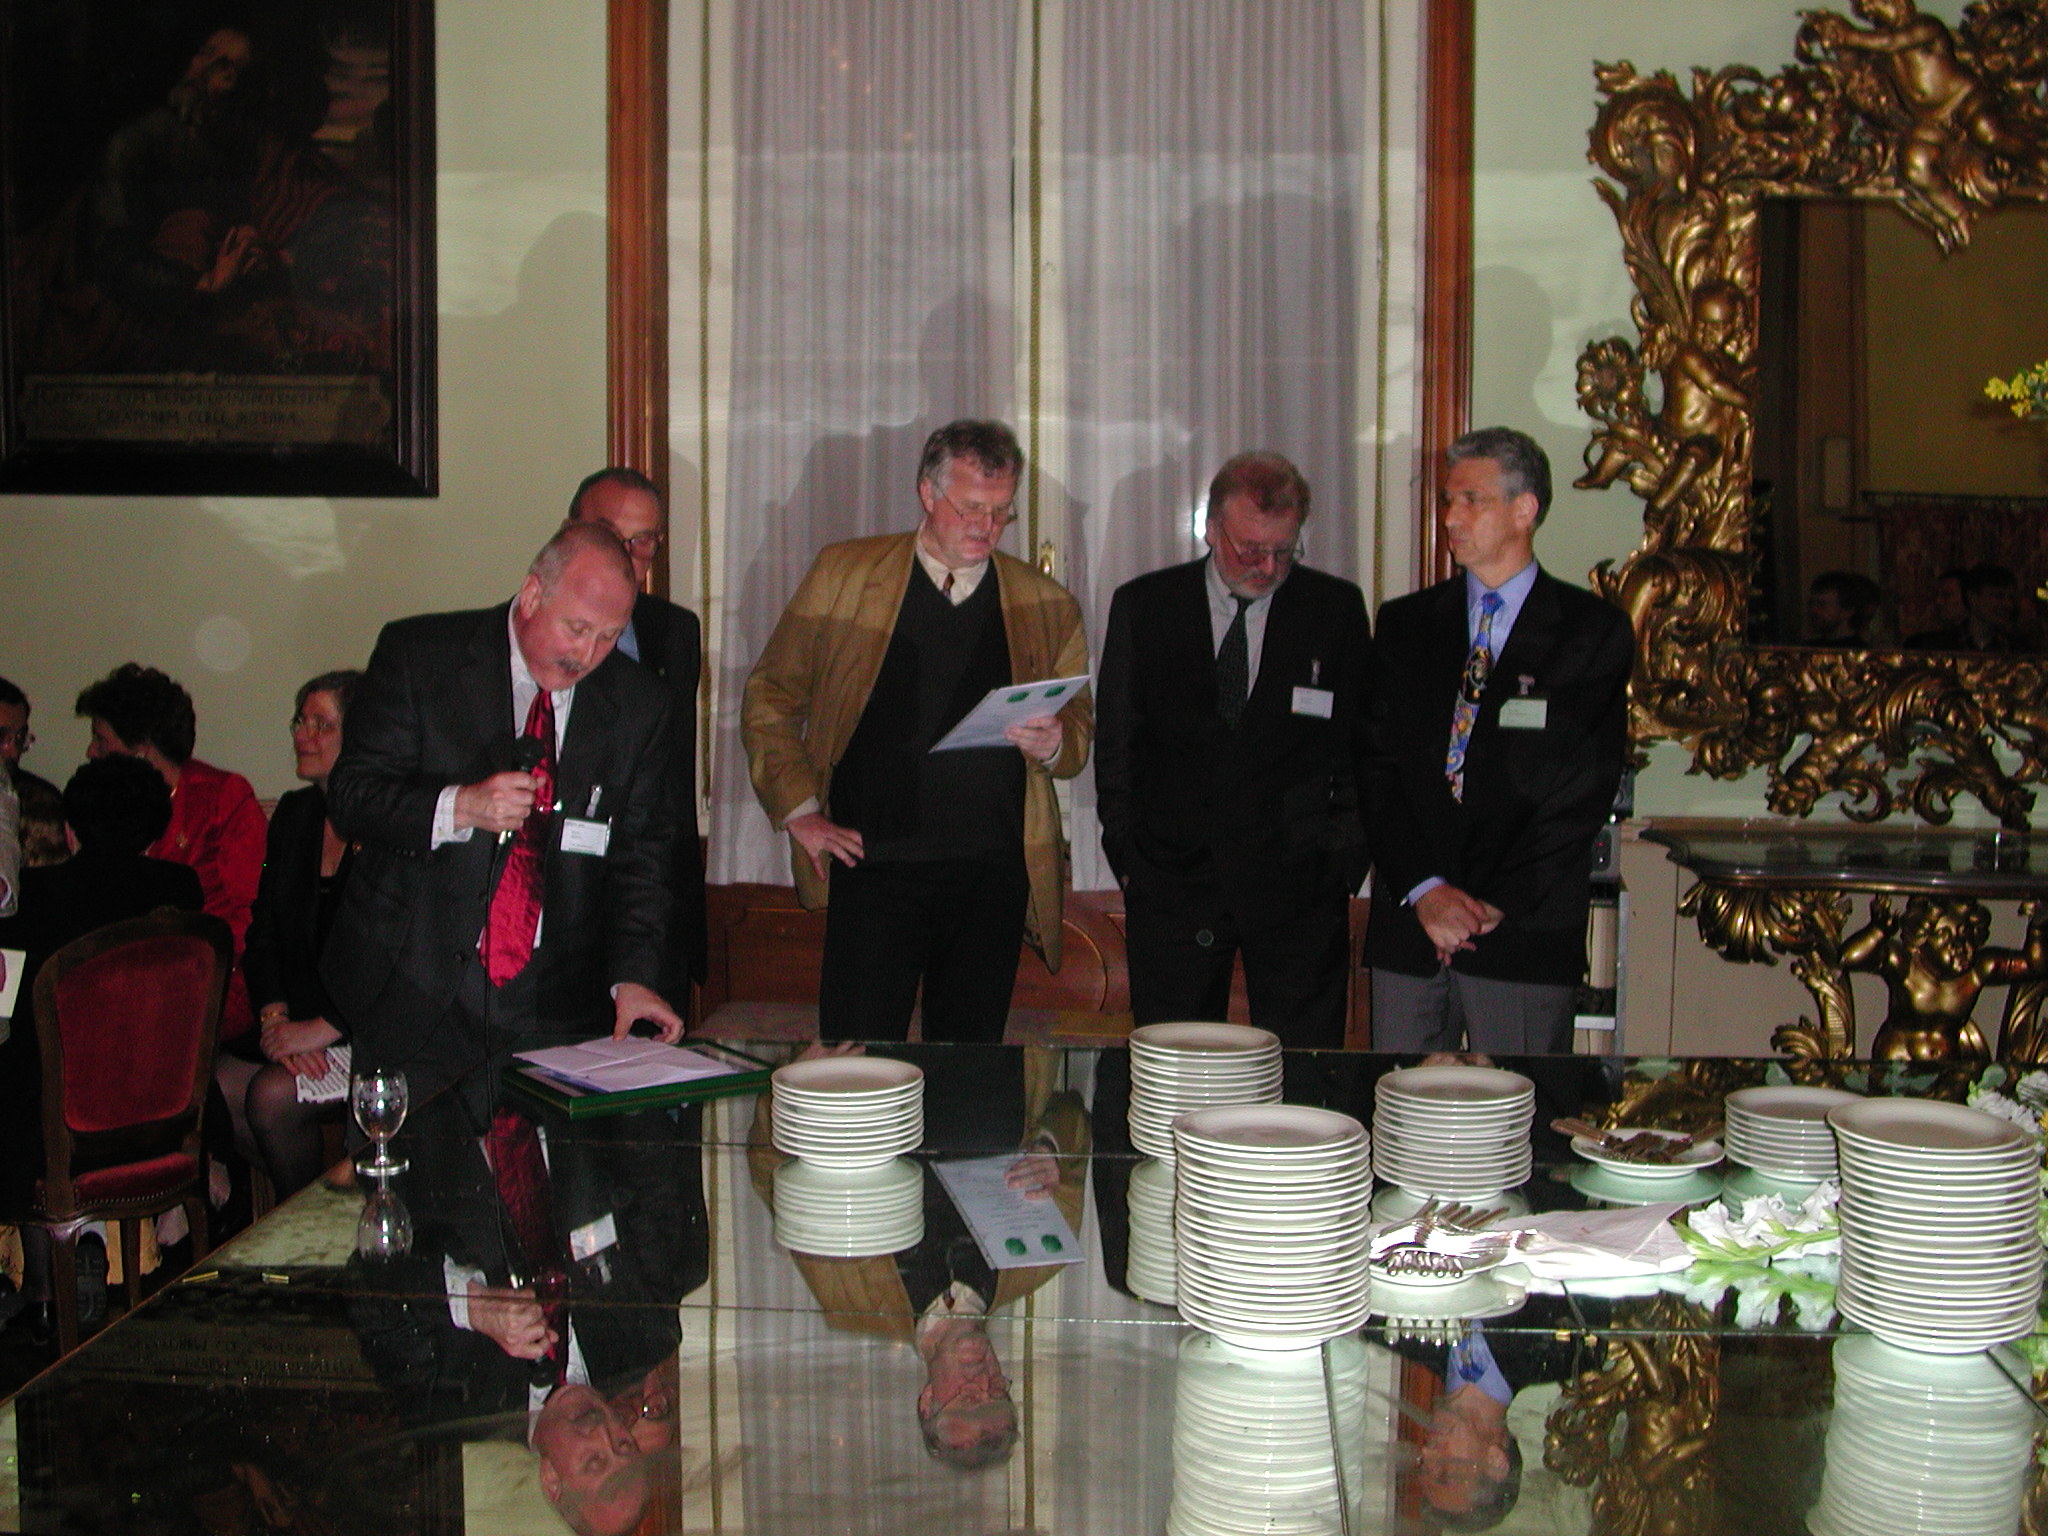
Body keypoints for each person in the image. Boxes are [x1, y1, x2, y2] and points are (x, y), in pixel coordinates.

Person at [741, 419, 1093, 1043]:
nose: (987, 527)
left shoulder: (1045, 603)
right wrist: (799, 810)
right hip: (873, 863)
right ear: (927, 493)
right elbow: (771, 695)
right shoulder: (846, 576)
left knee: (968, 1067)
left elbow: (1080, 729)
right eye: (971, 508)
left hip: (990, 871)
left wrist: (1057, 741)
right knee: (856, 1063)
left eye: (1001, 512)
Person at [321, 521, 685, 1114]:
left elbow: (643, 857)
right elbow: (352, 797)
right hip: (417, 985)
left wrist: (634, 977)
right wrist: (460, 806)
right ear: (533, 594)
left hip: (557, 1006)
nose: (586, 655)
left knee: (548, 1175)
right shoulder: (422, 656)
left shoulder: (640, 703)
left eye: (608, 637)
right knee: (410, 1170)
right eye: (577, 628)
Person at [1362, 427, 1633, 1055]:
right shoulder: (1405, 624)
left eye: (1471, 500)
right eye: (1447, 500)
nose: (1450, 518)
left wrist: (1490, 903)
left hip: (1522, 927)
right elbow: (1375, 767)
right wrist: (1427, 891)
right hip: (1411, 922)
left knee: (1519, 1106)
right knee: (1402, 1105)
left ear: (1524, 509)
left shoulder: (1590, 631)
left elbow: (1582, 789)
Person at [1095, 450, 1371, 1047]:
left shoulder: (1335, 610)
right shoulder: (1146, 606)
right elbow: (1118, 746)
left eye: (1284, 551)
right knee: (1177, 1067)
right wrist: (1130, 858)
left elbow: (1357, 749)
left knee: (1304, 1069)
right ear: (1211, 529)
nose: (1268, 567)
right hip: (1173, 886)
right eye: (1250, 550)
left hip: (1299, 889)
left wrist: (1343, 863)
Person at [0, 756, 205, 1336]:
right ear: (156, 832)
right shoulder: (180, 891)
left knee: (20, 1070)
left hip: (62, 1124)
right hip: (163, 1114)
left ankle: (43, 1285)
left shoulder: (36, 897)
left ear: (70, 830)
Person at [215, 670, 362, 1201]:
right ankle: (315, 1212)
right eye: (300, 721)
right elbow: (264, 933)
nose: (303, 735)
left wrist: (323, 1028)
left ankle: (309, 1226)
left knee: (271, 1097)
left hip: (364, 1024)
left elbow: (397, 955)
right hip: (296, 1019)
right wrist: (275, 1019)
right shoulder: (295, 814)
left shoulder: (390, 822)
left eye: (322, 724)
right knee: (215, 1084)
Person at [567, 467, 707, 995]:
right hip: (564, 902)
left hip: (655, 903)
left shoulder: (676, 631)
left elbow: (673, 774)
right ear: (570, 532)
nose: (625, 555)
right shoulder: (537, 632)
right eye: (609, 535)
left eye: (642, 540)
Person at [76, 662, 266, 1038]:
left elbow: (251, 914)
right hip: (126, 971)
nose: (90, 751)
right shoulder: (103, 801)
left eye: (101, 740)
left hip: (210, 975)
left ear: (142, 747)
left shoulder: (221, 797)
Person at [1903, 565, 1971, 649]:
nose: (1938, 601)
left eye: (1946, 595)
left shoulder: (1976, 644)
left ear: (1968, 598)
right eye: (1936, 595)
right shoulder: (1921, 643)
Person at [1804, 570, 1877, 646]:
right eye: (1811, 603)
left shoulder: (1861, 651)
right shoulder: (1807, 649)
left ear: (1848, 611)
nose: (1814, 610)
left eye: (1822, 605)